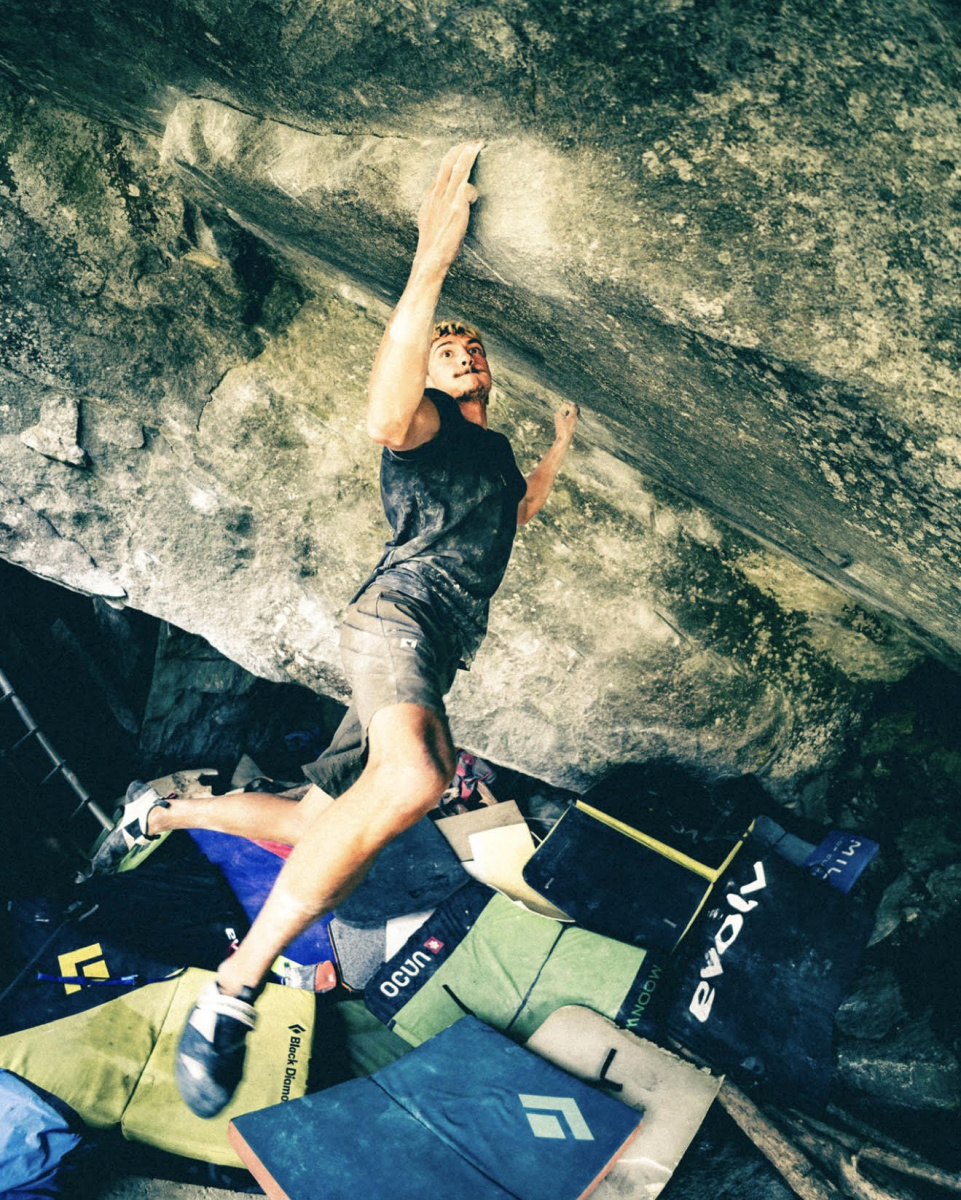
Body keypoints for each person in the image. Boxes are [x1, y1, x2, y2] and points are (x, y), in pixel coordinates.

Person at [90, 140, 578, 1117]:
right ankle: (235, 992)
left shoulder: (486, 455)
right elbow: (383, 405)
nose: (465, 350)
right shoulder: (425, 433)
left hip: (426, 653)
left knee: (325, 821)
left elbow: (510, 517)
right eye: (450, 347)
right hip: (393, 629)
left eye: (472, 345)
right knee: (418, 780)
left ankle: (163, 810)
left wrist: (557, 454)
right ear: (431, 382)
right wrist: (429, 263)